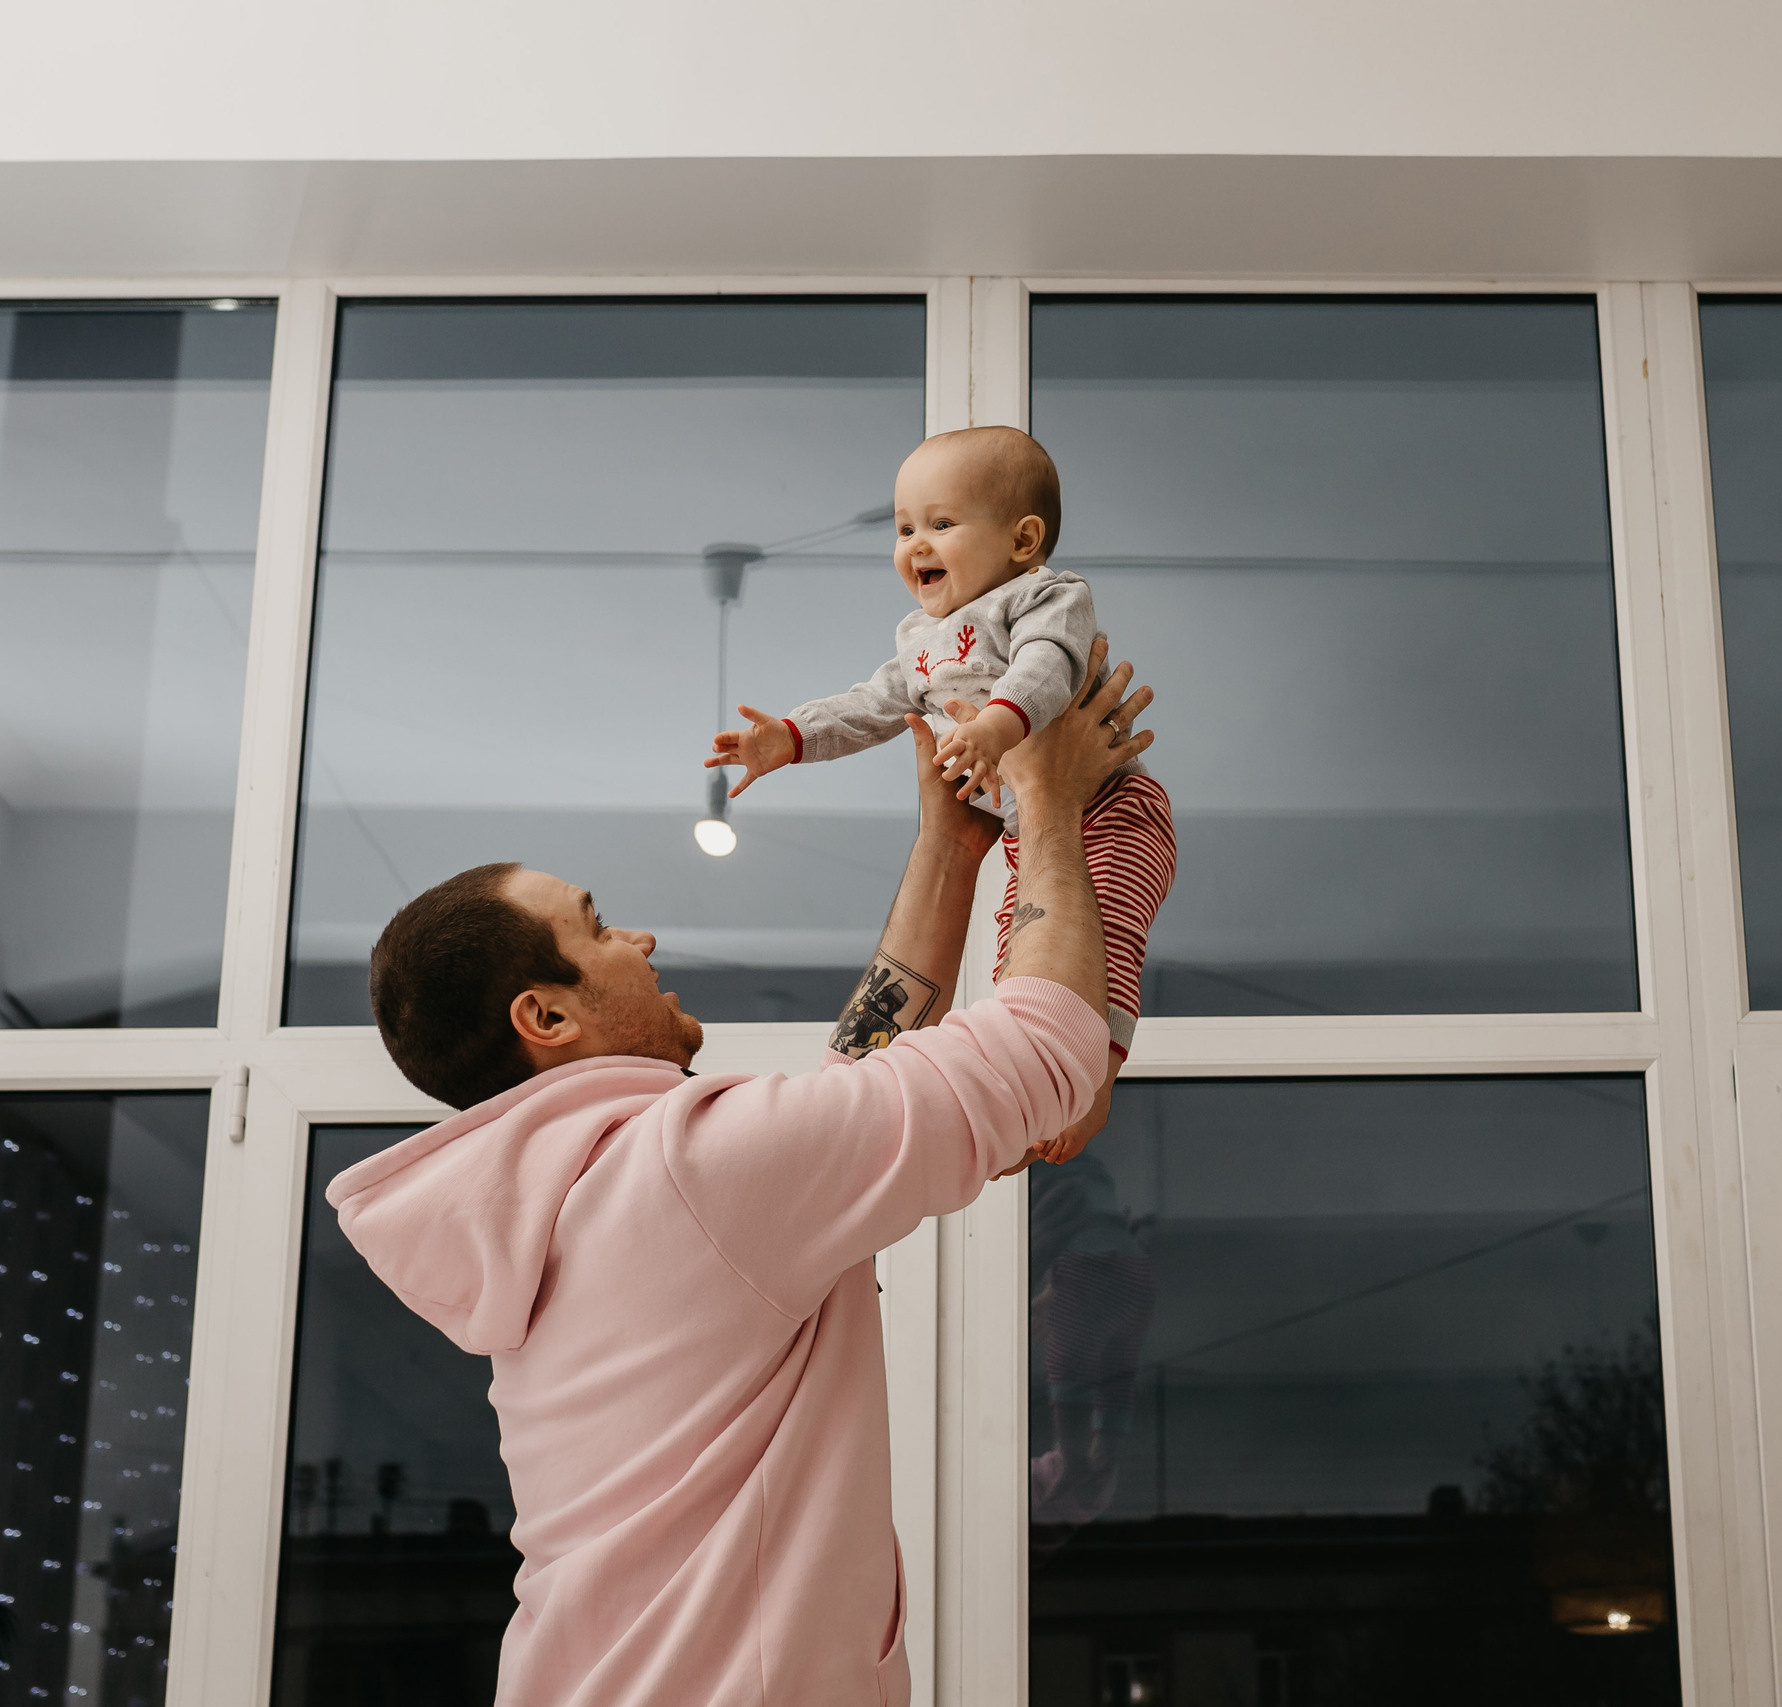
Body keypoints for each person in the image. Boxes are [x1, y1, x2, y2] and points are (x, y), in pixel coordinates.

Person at [333, 640, 1150, 1707]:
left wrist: (952, 851)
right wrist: (1046, 801)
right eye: (595, 929)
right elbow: (1047, 1052)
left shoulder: (575, 1196)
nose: (641, 935)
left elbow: (848, 1086)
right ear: (547, 1015)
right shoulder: (685, 1174)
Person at [707, 426, 1175, 1161]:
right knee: (1016, 964)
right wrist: (792, 737)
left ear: (1023, 539)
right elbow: (870, 704)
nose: (915, 544)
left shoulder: (1045, 596)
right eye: (903, 528)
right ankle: (1042, 1089)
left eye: (941, 523)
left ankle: (1098, 1076)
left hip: (1110, 808)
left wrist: (995, 729)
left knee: (1104, 936)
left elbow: (1050, 666)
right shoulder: (917, 639)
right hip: (1028, 823)